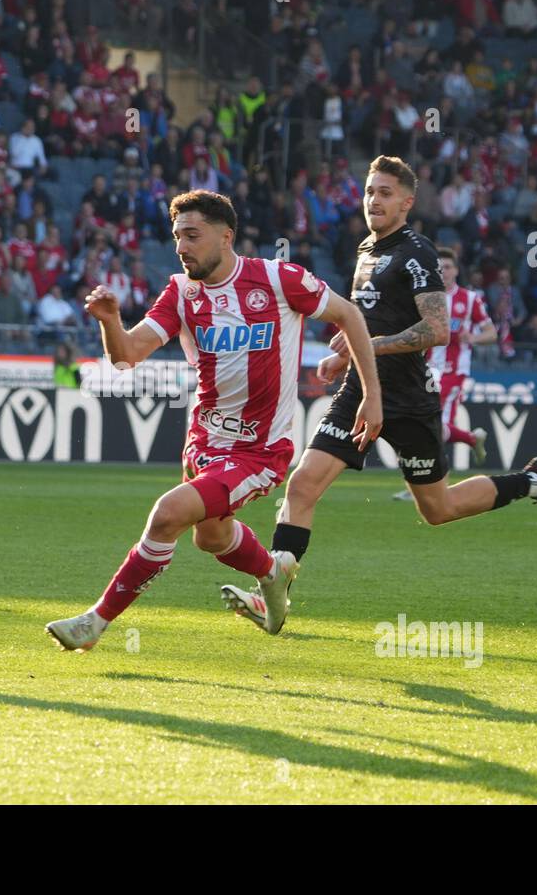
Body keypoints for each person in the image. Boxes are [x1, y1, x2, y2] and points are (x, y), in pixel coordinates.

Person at [228, 157, 537, 634]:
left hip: (410, 400)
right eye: (370, 191)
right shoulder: (367, 250)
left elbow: (437, 330)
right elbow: (366, 326)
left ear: (407, 202)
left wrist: (366, 345)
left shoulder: (418, 253)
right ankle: (275, 592)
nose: (374, 200)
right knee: (302, 485)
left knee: (438, 510)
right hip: (361, 390)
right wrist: (346, 358)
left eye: (386, 192)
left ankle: (532, 483)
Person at [45, 189, 382, 651]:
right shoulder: (181, 294)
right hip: (203, 444)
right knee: (211, 538)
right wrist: (109, 321)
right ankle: (272, 572)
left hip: (259, 451)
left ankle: (94, 622)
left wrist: (371, 397)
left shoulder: (278, 280)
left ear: (226, 237)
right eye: (176, 236)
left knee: (167, 516)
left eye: (192, 235)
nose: (181, 246)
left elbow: (350, 315)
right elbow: (125, 357)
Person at [395, 247, 496, 503]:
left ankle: (431, 486)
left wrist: (472, 337)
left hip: (454, 372)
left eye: (448, 267)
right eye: (439, 267)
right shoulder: (427, 298)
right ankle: (471, 439)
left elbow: (491, 332)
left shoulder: (469, 299)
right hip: (425, 370)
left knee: (435, 427)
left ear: (457, 270)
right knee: (421, 424)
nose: (444, 271)